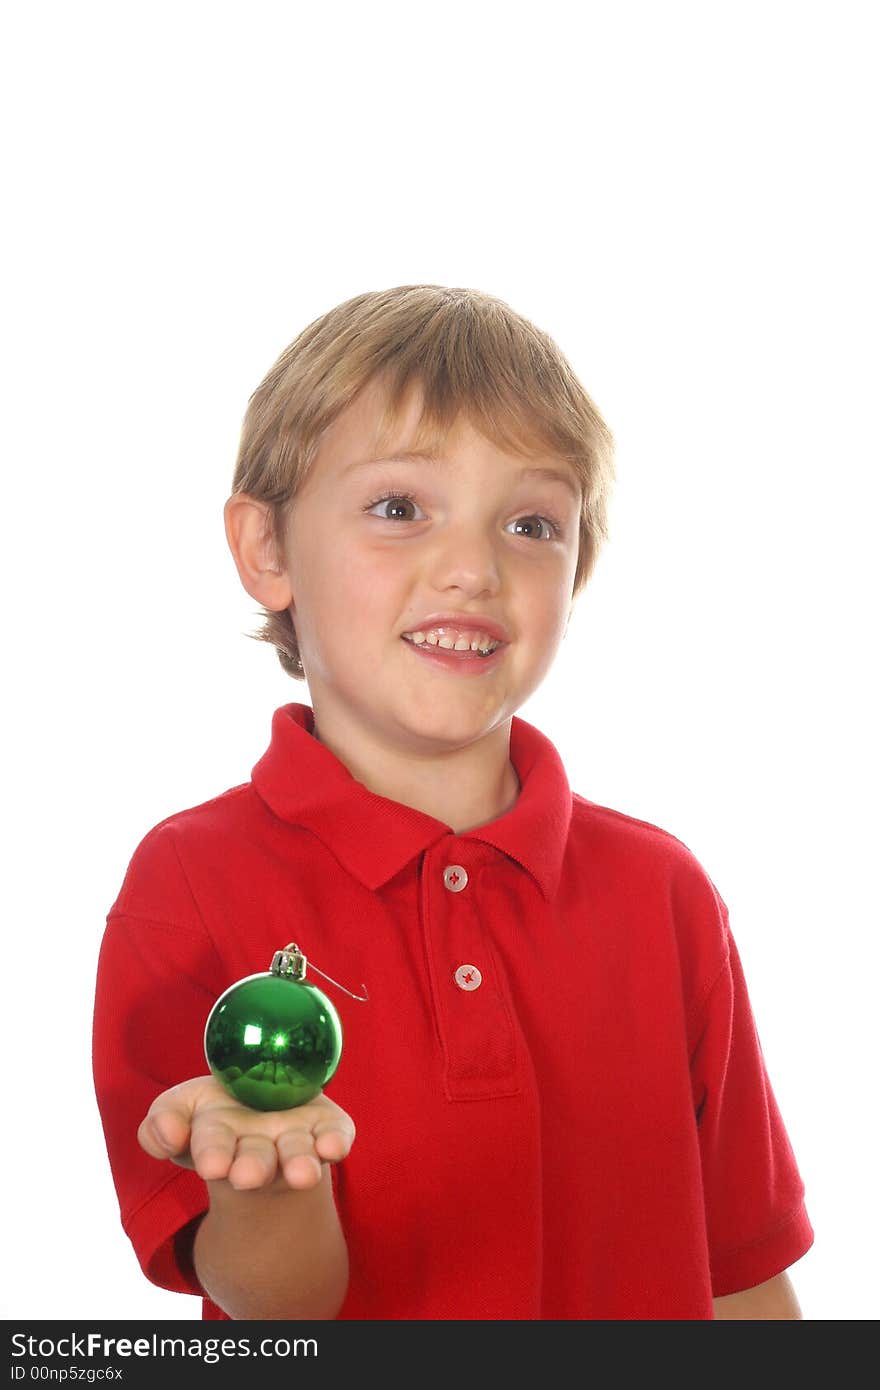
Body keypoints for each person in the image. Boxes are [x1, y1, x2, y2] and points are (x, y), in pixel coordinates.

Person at [92, 285, 814, 1321]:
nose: (473, 568)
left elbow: (741, 1268)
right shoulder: (191, 881)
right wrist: (262, 1163)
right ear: (267, 551)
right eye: (399, 508)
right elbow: (278, 1309)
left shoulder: (663, 892)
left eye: (531, 524)